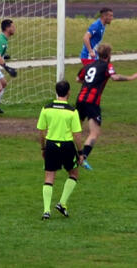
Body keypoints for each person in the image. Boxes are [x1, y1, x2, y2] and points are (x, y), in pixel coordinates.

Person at [76, 43, 137, 170]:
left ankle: (66, 153)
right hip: (92, 103)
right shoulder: (107, 65)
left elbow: (77, 79)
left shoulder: (88, 65)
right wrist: (132, 77)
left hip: (80, 99)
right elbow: (114, 77)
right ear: (109, 55)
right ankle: (82, 158)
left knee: (75, 130)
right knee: (94, 133)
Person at [37, 80, 83, 220]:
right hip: (67, 146)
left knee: (49, 177)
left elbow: (41, 131)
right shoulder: (72, 111)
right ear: (69, 92)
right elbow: (77, 135)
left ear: (56, 92)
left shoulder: (46, 108)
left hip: (51, 145)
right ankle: (62, 203)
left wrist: (43, 147)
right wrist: (80, 152)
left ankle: (46, 211)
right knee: (74, 174)